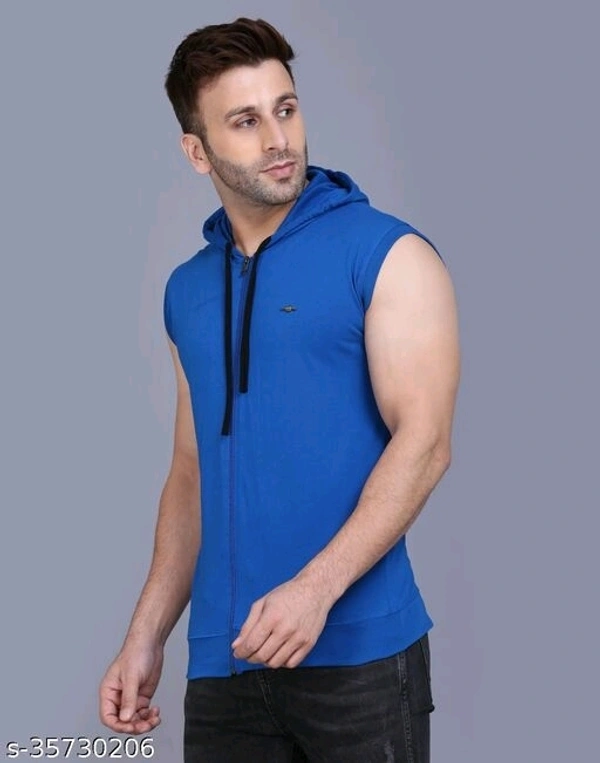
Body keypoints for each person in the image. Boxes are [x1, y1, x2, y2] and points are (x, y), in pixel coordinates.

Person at [99, 16, 460, 763]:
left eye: (285, 109)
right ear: (197, 151)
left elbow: (424, 443)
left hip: (360, 659)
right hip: (224, 665)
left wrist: (315, 591)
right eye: (245, 121)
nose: (278, 138)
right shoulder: (188, 291)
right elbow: (191, 475)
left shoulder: (387, 253)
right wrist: (147, 635)